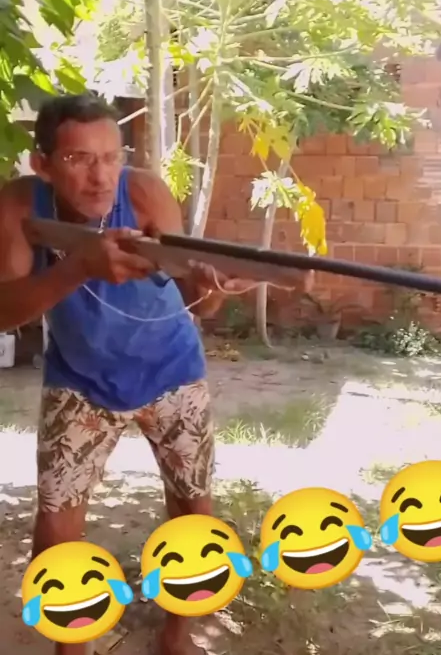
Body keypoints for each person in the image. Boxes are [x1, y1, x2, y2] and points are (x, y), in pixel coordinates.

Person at [0, 94, 309, 655]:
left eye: (110, 156)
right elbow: (4, 312)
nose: (100, 177)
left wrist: (214, 286)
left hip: (172, 370)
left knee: (194, 513)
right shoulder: (19, 206)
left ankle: (176, 637)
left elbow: (198, 298)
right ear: (42, 164)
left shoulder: (144, 193)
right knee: (56, 531)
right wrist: (80, 266)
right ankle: (72, 646)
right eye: (77, 159)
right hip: (80, 380)